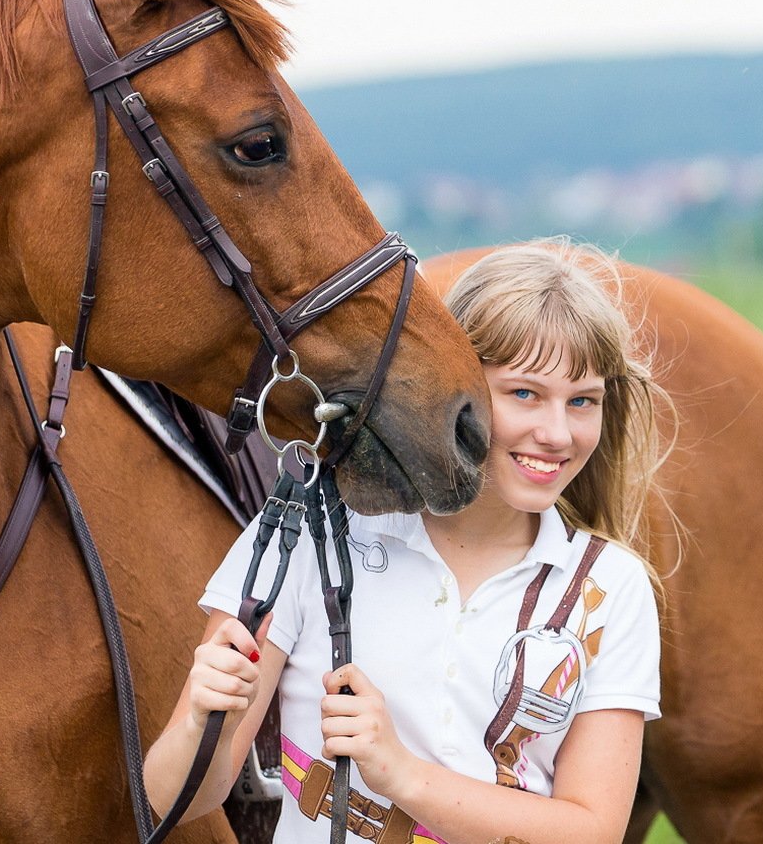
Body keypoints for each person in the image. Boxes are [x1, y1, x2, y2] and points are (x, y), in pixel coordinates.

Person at [144, 239, 669, 844]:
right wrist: (201, 723)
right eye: (524, 393)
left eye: (583, 402)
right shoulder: (308, 534)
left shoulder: (612, 588)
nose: (556, 433)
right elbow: (170, 799)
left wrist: (402, 775)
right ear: (459, 383)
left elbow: (593, 832)